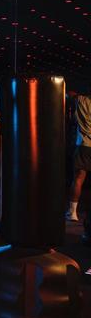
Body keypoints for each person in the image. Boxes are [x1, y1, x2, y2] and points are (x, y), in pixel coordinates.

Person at [66, 90, 91, 222]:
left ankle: (73, 212)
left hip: (83, 146)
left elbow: (69, 94)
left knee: (78, 179)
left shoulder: (82, 100)